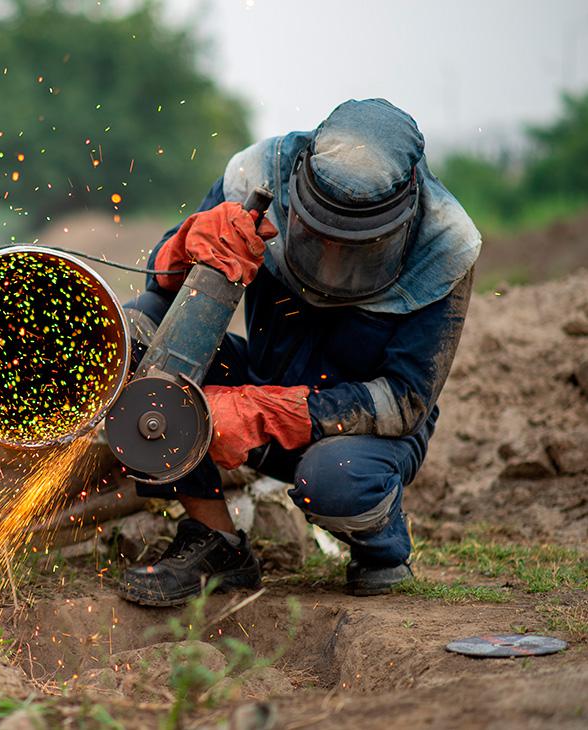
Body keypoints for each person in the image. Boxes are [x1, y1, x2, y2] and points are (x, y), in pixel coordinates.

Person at [118, 99, 481, 605]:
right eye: (317, 239)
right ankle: (216, 541)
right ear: (296, 198)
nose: (330, 265)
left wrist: (265, 412)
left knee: (335, 480)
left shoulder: (445, 246)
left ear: (397, 226)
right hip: (263, 375)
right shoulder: (255, 175)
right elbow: (161, 290)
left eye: (353, 250)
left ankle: (380, 549)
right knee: (135, 339)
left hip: (358, 438)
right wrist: (185, 247)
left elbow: (406, 401)